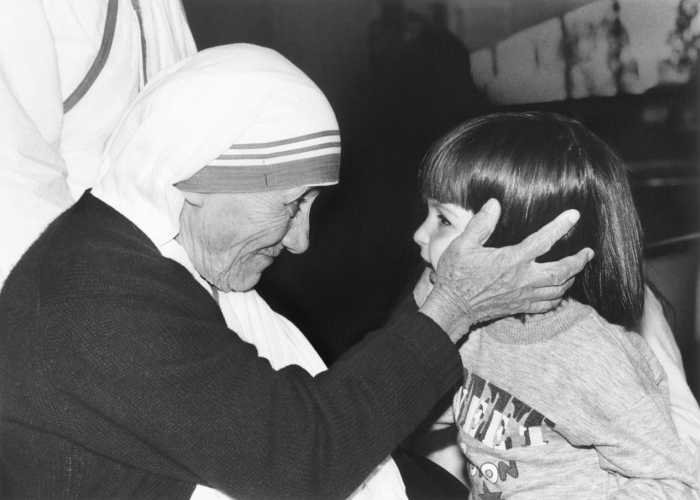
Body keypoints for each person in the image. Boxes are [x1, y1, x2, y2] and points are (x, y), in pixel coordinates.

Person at [0, 45, 590, 499]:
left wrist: (436, 301)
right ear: (197, 177)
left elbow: (305, 411)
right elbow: (302, 458)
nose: (301, 240)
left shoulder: (130, 252)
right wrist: (452, 308)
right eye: (290, 205)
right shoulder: (98, 302)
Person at [412, 112, 698, 498]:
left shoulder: (591, 358)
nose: (419, 234)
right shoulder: (474, 329)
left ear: (517, 243)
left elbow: (675, 484)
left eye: (443, 219)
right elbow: (456, 413)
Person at [0, 0, 195, 287]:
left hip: (168, 268)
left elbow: (188, 117)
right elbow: (17, 176)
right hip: (74, 276)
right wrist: (84, 288)